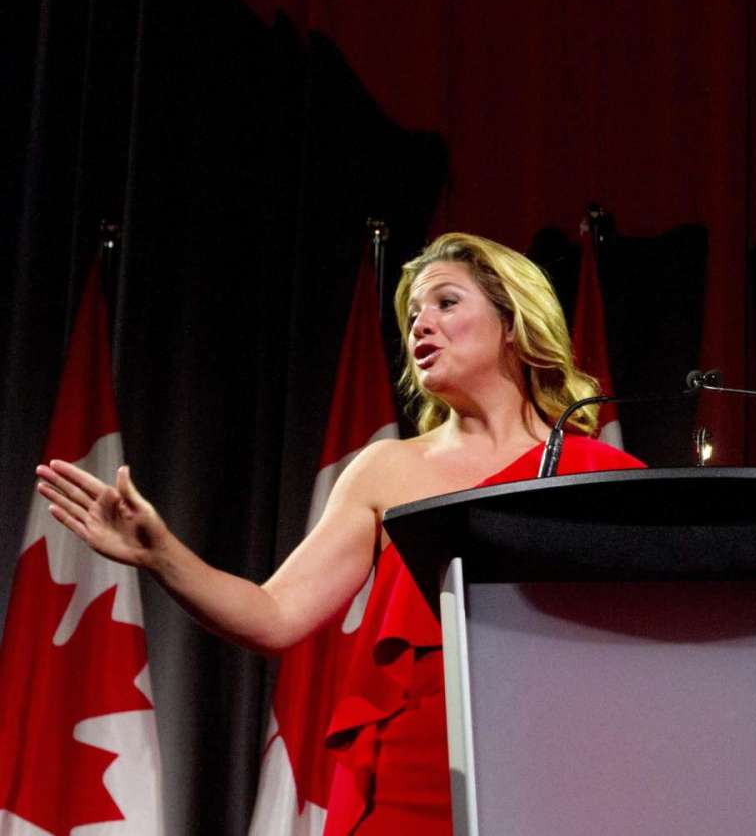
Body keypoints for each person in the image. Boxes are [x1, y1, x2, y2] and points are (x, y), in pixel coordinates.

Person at [36, 232, 644, 834]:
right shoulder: (387, 469)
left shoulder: (599, 474)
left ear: (513, 323)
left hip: (563, 772)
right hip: (415, 780)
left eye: (446, 303)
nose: (420, 326)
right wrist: (160, 554)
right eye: (412, 315)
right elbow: (275, 615)